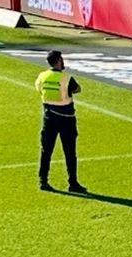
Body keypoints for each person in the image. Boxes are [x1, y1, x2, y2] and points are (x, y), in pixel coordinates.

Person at [35, 50, 87, 194]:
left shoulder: (42, 76)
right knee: (70, 152)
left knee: (46, 150)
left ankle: (43, 180)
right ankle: (73, 183)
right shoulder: (66, 78)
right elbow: (77, 89)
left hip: (49, 118)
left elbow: (39, 89)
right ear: (58, 61)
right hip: (66, 120)